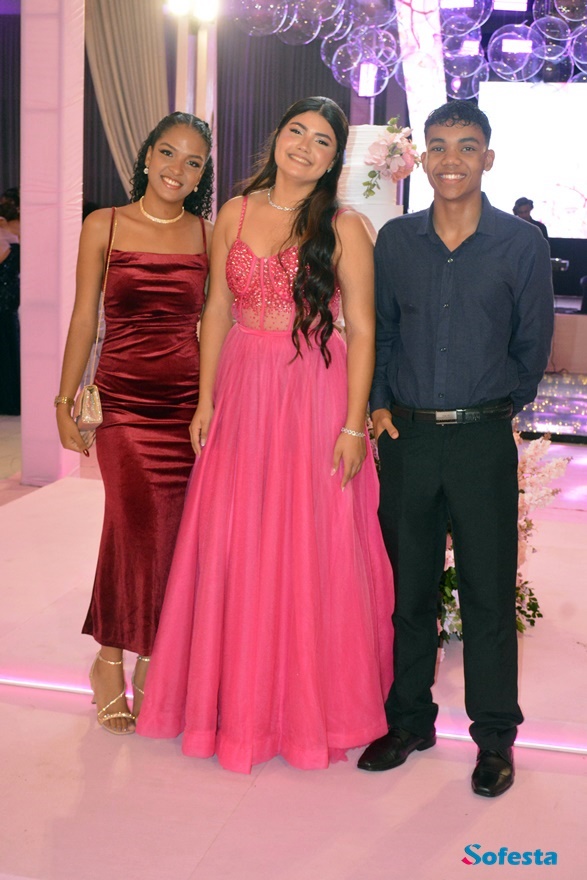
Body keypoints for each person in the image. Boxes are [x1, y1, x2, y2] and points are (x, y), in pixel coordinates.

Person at [137, 96, 394, 772]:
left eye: (321, 140)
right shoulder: (235, 212)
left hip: (314, 393)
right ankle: (236, 704)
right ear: (276, 137)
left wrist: (353, 424)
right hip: (243, 387)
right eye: (296, 132)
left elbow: (364, 329)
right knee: (235, 535)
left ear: (334, 158)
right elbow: (217, 309)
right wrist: (205, 400)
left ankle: (307, 710)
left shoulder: (344, 226)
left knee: (308, 541)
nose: (305, 146)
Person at [358, 101, 554, 796]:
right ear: (420, 157)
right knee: (408, 592)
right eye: (438, 145)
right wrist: (379, 403)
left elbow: (532, 345)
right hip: (407, 440)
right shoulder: (395, 241)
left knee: (487, 596)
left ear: (487, 159)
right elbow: (381, 331)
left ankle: (494, 740)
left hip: (479, 440)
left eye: (466, 147)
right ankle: (409, 722)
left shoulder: (520, 244)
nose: (450, 159)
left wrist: (493, 407)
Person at [55, 112, 214, 735]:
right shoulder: (105, 224)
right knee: (134, 525)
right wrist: (63, 400)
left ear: (201, 176)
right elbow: (83, 318)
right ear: (147, 155)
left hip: (184, 405)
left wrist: (212, 404)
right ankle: (110, 659)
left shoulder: (207, 236)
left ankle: (146, 657)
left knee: (170, 535)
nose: (177, 169)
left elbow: (216, 327)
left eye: (193, 162)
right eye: (168, 153)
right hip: (122, 402)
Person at [0, 201, 20, 415]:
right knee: (8, 349)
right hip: (8, 300)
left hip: (9, 301)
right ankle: (10, 400)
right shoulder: (13, 239)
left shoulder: (12, 238)